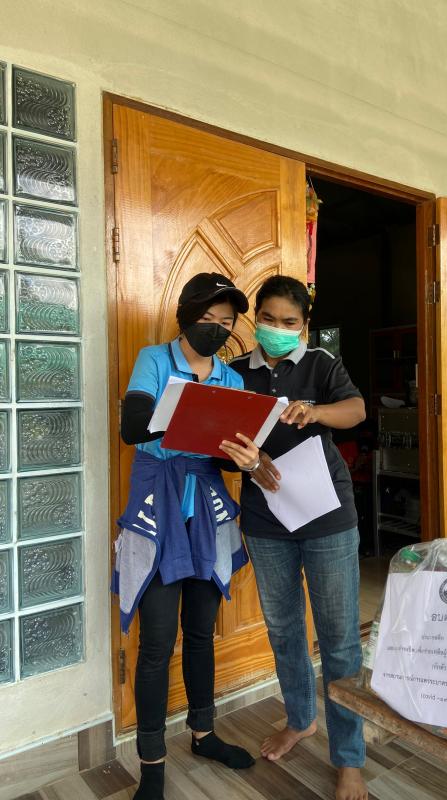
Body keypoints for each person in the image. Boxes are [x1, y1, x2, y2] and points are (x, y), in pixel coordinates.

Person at [114, 272, 262, 800]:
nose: (218, 329)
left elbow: (228, 457)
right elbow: (133, 427)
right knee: (156, 642)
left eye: (227, 321)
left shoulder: (231, 378)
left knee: (201, 632)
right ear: (186, 317)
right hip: (158, 506)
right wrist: (192, 418)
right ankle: (152, 763)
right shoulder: (155, 360)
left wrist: (245, 456)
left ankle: (204, 734)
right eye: (208, 318)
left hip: (206, 508)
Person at [221, 275, 368, 800]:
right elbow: (219, 443)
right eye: (269, 319)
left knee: (339, 639)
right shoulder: (235, 373)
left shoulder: (321, 364)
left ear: (304, 326)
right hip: (266, 519)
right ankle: (301, 720)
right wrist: (247, 460)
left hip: (327, 517)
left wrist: (316, 411)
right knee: (284, 630)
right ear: (255, 319)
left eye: (290, 322)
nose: (277, 329)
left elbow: (356, 410)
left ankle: (349, 757)